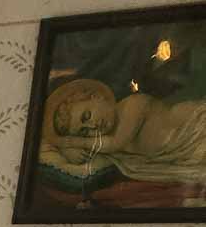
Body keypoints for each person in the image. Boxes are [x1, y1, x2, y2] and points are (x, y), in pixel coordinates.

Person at [44, 78, 206, 187]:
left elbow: (115, 143)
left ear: (97, 97)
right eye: (84, 131)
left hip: (195, 129)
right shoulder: (105, 142)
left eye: (87, 116)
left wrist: (69, 143)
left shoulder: (133, 104)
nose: (93, 126)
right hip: (183, 152)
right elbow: (95, 151)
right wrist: (67, 150)